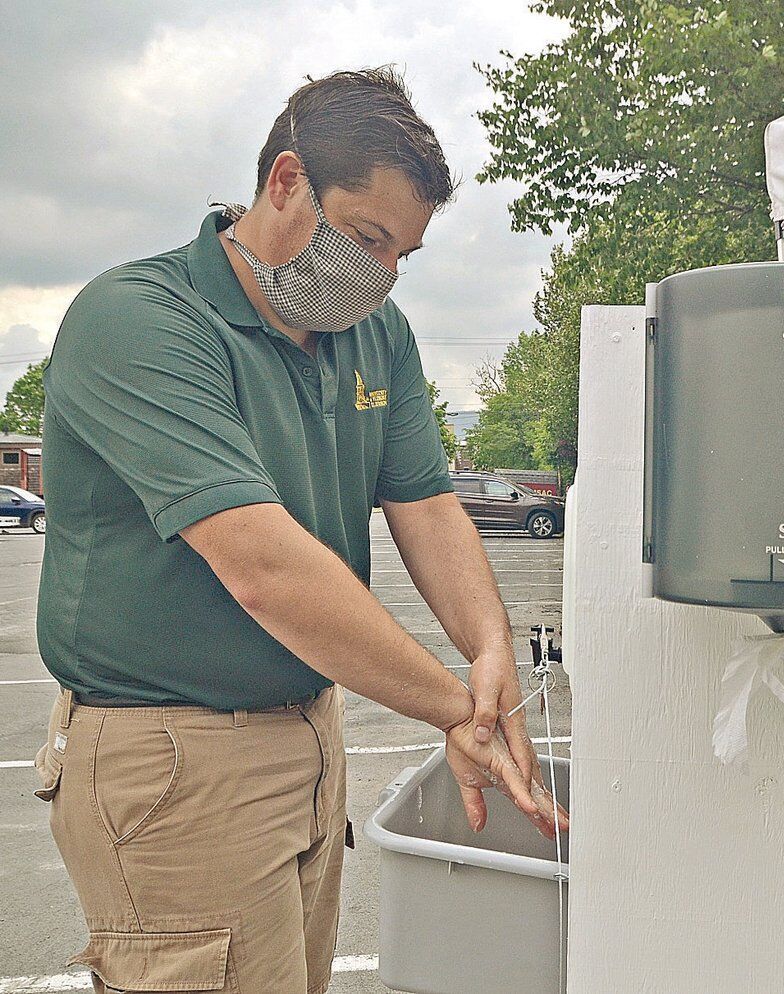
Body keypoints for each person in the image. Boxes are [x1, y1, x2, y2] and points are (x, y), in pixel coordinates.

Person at [34, 68, 566, 994]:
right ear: (287, 183)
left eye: (404, 253)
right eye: (368, 239)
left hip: (308, 734)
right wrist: (453, 708)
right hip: (175, 753)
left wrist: (491, 656)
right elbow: (262, 569)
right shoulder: (141, 320)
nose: (384, 273)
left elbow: (428, 504)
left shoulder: (377, 335)